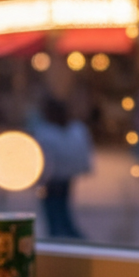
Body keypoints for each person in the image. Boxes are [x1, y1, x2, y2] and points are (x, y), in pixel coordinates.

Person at [30, 97, 93, 239]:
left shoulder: (46, 133)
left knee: (54, 214)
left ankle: (63, 242)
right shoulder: (76, 130)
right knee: (61, 210)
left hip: (51, 180)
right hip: (64, 177)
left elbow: (41, 158)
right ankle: (71, 239)